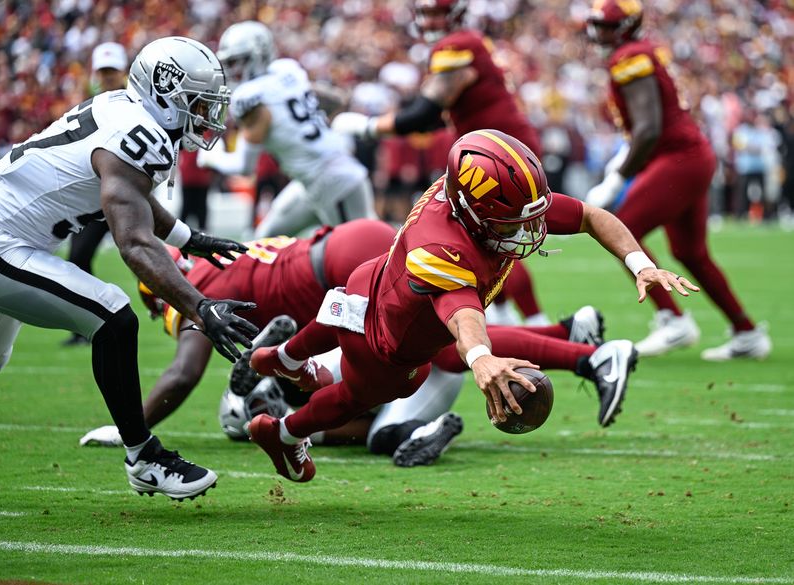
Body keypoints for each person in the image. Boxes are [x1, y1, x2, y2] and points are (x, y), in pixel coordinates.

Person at [0, 37, 260, 503]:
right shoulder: (140, 136)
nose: (206, 116)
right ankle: (145, 456)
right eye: (196, 103)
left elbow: (130, 192)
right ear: (164, 92)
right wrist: (201, 306)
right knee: (114, 315)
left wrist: (187, 239)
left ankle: (143, 453)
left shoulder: (123, 108)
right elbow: (134, 242)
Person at [246, 129, 698, 482]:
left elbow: (590, 216)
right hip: (388, 346)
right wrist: (482, 359)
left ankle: (283, 357)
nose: (528, 231)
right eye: (512, 222)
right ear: (472, 210)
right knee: (361, 395)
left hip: (368, 282)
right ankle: (283, 433)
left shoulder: (472, 195)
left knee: (334, 319)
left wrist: (639, 263)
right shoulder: (443, 247)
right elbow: (463, 314)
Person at [79, 218, 624, 466]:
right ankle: (573, 340)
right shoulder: (221, 259)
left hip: (335, 279)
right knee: (434, 335)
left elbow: (181, 376)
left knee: (431, 343)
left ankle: (296, 388)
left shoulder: (201, 293)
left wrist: (131, 428)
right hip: (341, 252)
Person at [331, 0, 549, 327]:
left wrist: (369, 127)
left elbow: (425, 113)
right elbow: (435, 116)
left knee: (492, 236)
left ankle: (536, 321)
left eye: (438, 13)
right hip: (496, 151)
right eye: (427, 13)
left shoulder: (458, 46)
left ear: (456, 13)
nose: (431, 21)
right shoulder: (466, 43)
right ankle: (507, 313)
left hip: (499, 158)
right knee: (485, 236)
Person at [585, 0, 771, 361]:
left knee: (621, 229)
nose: (599, 32)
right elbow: (648, 126)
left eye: (607, 26)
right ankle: (745, 333)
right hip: (688, 156)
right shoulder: (636, 52)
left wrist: (617, 178)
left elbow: (650, 128)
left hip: (679, 159)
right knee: (691, 253)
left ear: (626, 26)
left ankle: (672, 318)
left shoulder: (630, 58)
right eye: (598, 24)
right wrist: (621, 162)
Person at [196, 20, 377, 238]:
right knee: (266, 238)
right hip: (312, 179)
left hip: (334, 180)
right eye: (230, 62)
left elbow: (244, 167)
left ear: (258, 55)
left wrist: (210, 156)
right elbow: (333, 99)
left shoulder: (251, 98)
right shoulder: (286, 71)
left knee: (363, 252)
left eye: (239, 61)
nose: (234, 70)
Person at [62, 41, 131, 346]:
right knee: (77, 258)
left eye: (111, 71)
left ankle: (101, 317)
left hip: (117, 194)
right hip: (90, 196)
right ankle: (87, 324)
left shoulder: (131, 105)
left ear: (123, 72)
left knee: (138, 254)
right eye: (102, 72)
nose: (106, 78)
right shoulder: (93, 103)